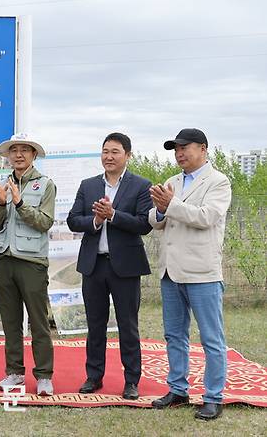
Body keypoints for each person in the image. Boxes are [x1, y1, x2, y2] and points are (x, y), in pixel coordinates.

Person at [148, 128, 231, 420]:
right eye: (175, 149)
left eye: (185, 147)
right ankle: (178, 389)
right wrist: (159, 210)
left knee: (211, 338)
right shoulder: (172, 181)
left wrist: (170, 205)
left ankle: (213, 397)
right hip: (171, 271)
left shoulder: (218, 182)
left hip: (202, 272)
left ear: (204, 149)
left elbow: (206, 217)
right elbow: (156, 220)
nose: (179, 153)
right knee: (174, 335)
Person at [66, 132, 153, 400]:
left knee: (128, 324)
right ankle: (94, 376)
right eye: (105, 151)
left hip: (125, 266)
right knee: (95, 324)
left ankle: (131, 380)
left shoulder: (140, 185)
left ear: (128, 155)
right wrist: (95, 221)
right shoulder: (89, 185)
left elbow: (144, 224)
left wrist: (113, 215)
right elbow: (72, 220)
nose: (109, 156)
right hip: (94, 265)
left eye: (115, 151)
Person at [0, 133, 57, 396]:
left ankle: (44, 376)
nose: (18, 154)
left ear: (33, 155)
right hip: (5, 258)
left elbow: (44, 222)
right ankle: (14, 372)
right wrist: (2, 202)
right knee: (10, 321)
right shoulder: (1, 184)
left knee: (38, 322)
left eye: (24, 150)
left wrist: (20, 202)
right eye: (13, 150)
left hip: (32, 261)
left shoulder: (45, 184)